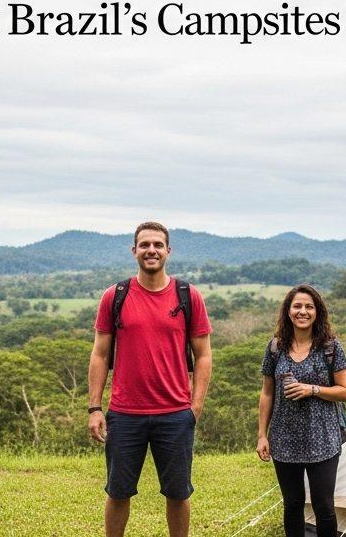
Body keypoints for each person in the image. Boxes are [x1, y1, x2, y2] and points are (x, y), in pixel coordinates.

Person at [87, 222, 213, 537]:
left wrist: (195, 407)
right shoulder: (115, 296)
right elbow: (100, 354)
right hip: (125, 413)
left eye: (157, 245)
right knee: (118, 491)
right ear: (134, 251)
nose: (151, 250)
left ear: (168, 251)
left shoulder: (188, 296)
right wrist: (94, 407)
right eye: (144, 245)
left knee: (178, 493)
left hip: (175, 413)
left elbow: (203, 355)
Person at [256, 285, 346, 537]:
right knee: (292, 505)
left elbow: (345, 391)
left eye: (309, 307)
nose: (303, 311)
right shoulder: (275, 348)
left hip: (323, 438)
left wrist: (312, 389)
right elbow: (267, 393)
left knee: (324, 506)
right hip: (284, 439)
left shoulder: (331, 347)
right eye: (297, 306)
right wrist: (262, 435)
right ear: (288, 311)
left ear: (317, 312)